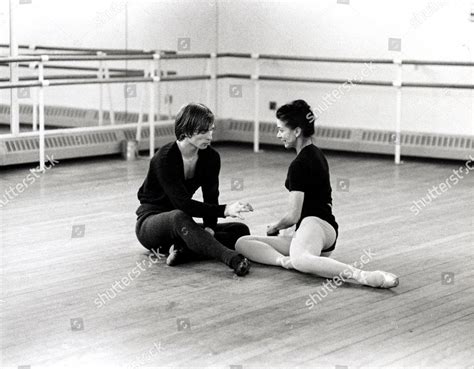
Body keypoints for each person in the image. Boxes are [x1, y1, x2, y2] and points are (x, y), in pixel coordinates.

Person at [236, 100, 399, 288]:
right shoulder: (316, 153)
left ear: (297, 131)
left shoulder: (299, 164)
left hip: (315, 225)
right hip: (319, 234)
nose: (278, 135)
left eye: (281, 130)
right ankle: (285, 261)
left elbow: (293, 215)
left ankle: (362, 275)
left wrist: (275, 226)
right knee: (243, 243)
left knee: (300, 258)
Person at [135, 103, 253, 276]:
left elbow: (211, 197)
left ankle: (184, 251)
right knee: (178, 215)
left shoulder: (211, 157)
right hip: (151, 224)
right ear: (187, 130)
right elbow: (182, 204)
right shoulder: (164, 158)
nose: (210, 136)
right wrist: (225, 210)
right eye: (204, 131)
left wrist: (209, 228)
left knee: (240, 230)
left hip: (183, 226)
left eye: (211, 130)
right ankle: (232, 258)